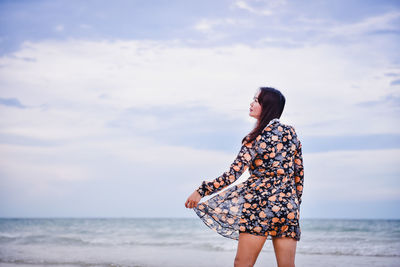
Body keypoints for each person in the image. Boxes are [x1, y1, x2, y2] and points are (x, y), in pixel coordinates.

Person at [185, 87, 304, 267]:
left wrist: (201, 190)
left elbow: (232, 175)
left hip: (258, 205)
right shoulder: (290, 133)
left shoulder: (255, 138)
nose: (251, 103)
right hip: (287, 208)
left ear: (267, 106)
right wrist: (294, 206)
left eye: (256, 100)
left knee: (243, 264)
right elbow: (299, 175)